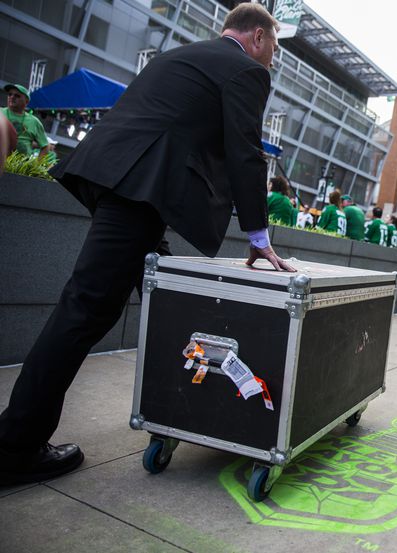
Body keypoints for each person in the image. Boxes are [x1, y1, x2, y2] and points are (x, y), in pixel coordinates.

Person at [0, 3, 296, 486]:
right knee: (85, 309)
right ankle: (15, 444)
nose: (273, 61)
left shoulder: (183, 55)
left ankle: (195, 406)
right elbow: (245, 151)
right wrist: (259, 237)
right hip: (141, 190)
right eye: (275, 49)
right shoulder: (245, 69)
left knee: (165, 297)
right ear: (258, 37)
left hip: (115, 177)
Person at [2, 84, 51, 158]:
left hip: (20, 167)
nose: (12, 97)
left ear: (26, 101)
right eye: (10, 94)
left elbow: (45, 146)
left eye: (17, 96)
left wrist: (35, 166)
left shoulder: (34, 122)